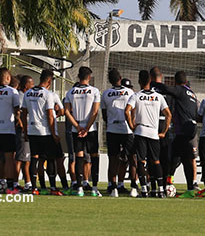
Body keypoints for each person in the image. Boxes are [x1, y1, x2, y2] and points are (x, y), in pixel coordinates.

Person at [125, 69, 172, 198]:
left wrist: (131, 125)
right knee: (156, 161)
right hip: (153, 133)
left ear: (139, 81)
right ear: (150, 81)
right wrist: (164, 132)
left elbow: (127, 111)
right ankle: (160, 190)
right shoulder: (158, 96)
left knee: (141, 161)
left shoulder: (136, 96)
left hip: (140, 131)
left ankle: (144, 190)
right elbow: (168, 115)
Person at [64, 66, 102, 197]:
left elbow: (67, 112)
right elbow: (95, 112)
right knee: (94, 156)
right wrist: (87, 127)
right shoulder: (94, 91)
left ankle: (79, 188)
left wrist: (78, 126)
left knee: (79, 156)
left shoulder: (71, 92)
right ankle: (94, 188)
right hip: (90, 129)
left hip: (77, 129)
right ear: (89, 77)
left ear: (78, 77)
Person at [22, 69, 60, 195]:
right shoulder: (47, 94)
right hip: (45, 132)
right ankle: (53, 188)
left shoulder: (28, 93)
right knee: (50, 159)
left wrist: (25, 130)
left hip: (32, 130)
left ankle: (34, 188)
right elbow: (50, 116)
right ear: (49, 81)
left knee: (34, 158)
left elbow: (23, 114)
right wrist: (54, 134)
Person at [101, 68, 136, 197]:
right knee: (131, 158)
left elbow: (104, 114)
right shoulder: (130, 92)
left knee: (113, 159)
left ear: (109, 80)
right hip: (127, 129)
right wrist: (132, 124)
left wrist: (111, 122)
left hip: (112, 130)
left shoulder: (105, 94)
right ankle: (133, 187)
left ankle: (113, 187)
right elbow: (133, 111)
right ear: (120, 78)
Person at [166, 71, 200, 197]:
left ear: (176, 82)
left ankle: (176, 184)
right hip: (190, 130)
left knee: (179, 158)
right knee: (183, 158)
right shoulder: (193, 94)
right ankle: (183, 185)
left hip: (182, 131)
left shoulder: (179, 91)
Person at [149, 67, 176, 185]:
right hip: (165, 125)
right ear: (162, 77)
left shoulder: (148, 90)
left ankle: (151, 182)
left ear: (150, 77)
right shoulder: (168, 90)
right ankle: (164, 183)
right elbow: (172, 111)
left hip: (151, 125)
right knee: (165, 156)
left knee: (151, 156)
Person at [15, 75, 34, 192]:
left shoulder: (21, 95)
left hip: (24, 129)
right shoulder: (21, 96)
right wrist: (22, 125)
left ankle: (23, 182)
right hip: (23, 130)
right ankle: (22, 183)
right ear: (26, 85)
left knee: (23, 158)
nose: (33, 86)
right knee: (22, 159)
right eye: (31, 84)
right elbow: (18, 112)